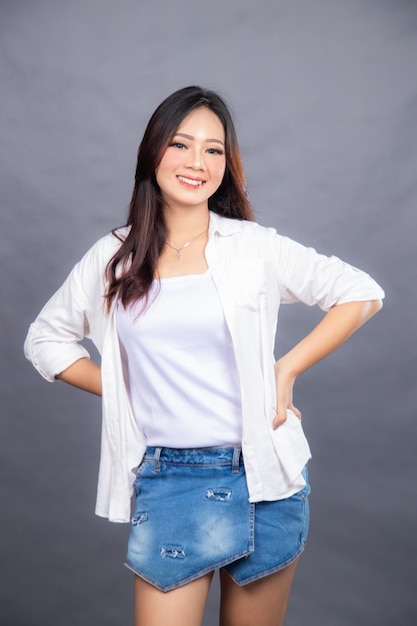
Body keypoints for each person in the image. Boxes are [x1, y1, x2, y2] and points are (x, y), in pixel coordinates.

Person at [24, 85, 384, 626]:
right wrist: (124, 390)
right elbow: (45, 340)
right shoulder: (114, 257)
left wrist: (285, 369)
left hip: (265, 475)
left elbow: (362, 292)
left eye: (213, 149)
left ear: (227, 163)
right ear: (153, 154)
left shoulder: (252, 246)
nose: (198, 162)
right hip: (171, 480)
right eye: (181, 145)